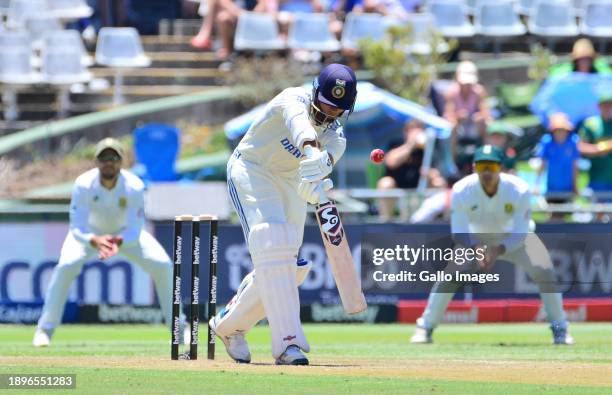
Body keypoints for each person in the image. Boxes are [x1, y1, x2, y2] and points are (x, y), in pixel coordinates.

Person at [208, 63, 357, 365]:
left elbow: (323, 161)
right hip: (253, 169)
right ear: (315, 92)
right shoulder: (292, 98)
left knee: (293, 266)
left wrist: (315, 183)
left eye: (336, 111)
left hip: (289, 182)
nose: (328, 115)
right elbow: (300, 128)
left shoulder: (337, 138)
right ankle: (288, 344)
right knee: (272, 242)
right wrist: (314, 157)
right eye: (325, 106)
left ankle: (228, 326)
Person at [410, 145, 573, 345]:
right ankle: (425, 328)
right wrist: (476, 248)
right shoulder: (461, 189)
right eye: (482, 167)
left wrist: (498, 250)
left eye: (492, 167)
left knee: (545, 271)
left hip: (517, 238)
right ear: (474, 168)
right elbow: (459, 232)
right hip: (475, 239)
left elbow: (521, 232)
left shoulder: (519, 189)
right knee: (449, 275)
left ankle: (560, 329)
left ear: (501, 168)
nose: (487, 172)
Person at [33, 138, 174, 347]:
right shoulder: (83, 184)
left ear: (121, 162)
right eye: (104, 158)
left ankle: (179, 328)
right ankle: (44, 330)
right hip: (89, 236)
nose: (109, 162)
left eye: (114, 158)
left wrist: (117, 241)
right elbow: (77, 226)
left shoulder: (134, 185)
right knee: (66, 266)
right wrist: (95, 240)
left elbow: (135, 229)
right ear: (96, 161)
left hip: (125, 236)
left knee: (163, 265)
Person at [376, 120, 446, 221]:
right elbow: (391, 162)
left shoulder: (428, 149)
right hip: (398, 187)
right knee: (385, 183)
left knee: (439, 183)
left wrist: (430, 174)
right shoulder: (396, 144)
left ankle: (440, 220)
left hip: (420, 189)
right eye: (412, 129)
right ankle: (386, 221)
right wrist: (411, 145)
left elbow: (436, 172)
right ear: (406, 132)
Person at [444, 61, 492, 174]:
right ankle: (452, 163)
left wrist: (479, 117)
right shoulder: (451, 93)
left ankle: (488, 158)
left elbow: (486, 113)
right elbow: (448, 115)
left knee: (484, 124)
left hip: (474, 127)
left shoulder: (479, 92)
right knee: (452, 126)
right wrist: (458, 117)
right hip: (458, 128)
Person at [536, 113, 580, 204]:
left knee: (565, 213)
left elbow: (575, 165)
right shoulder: (547, 142)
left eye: (562, 130)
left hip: (567, 186)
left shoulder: (573, 142)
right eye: (557, 130)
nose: (560, 133)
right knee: (553, 213)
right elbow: (542, 163)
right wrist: (537, 184)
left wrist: (575, 186)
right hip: (552, 186)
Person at [578, 91, 612, 198]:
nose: (607, 108)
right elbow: (580, 147)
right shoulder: (591, 124)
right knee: (599, 211)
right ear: (599, 106)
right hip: (597, 178)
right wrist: (601, 149)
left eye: (610, 105)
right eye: (604, 105)